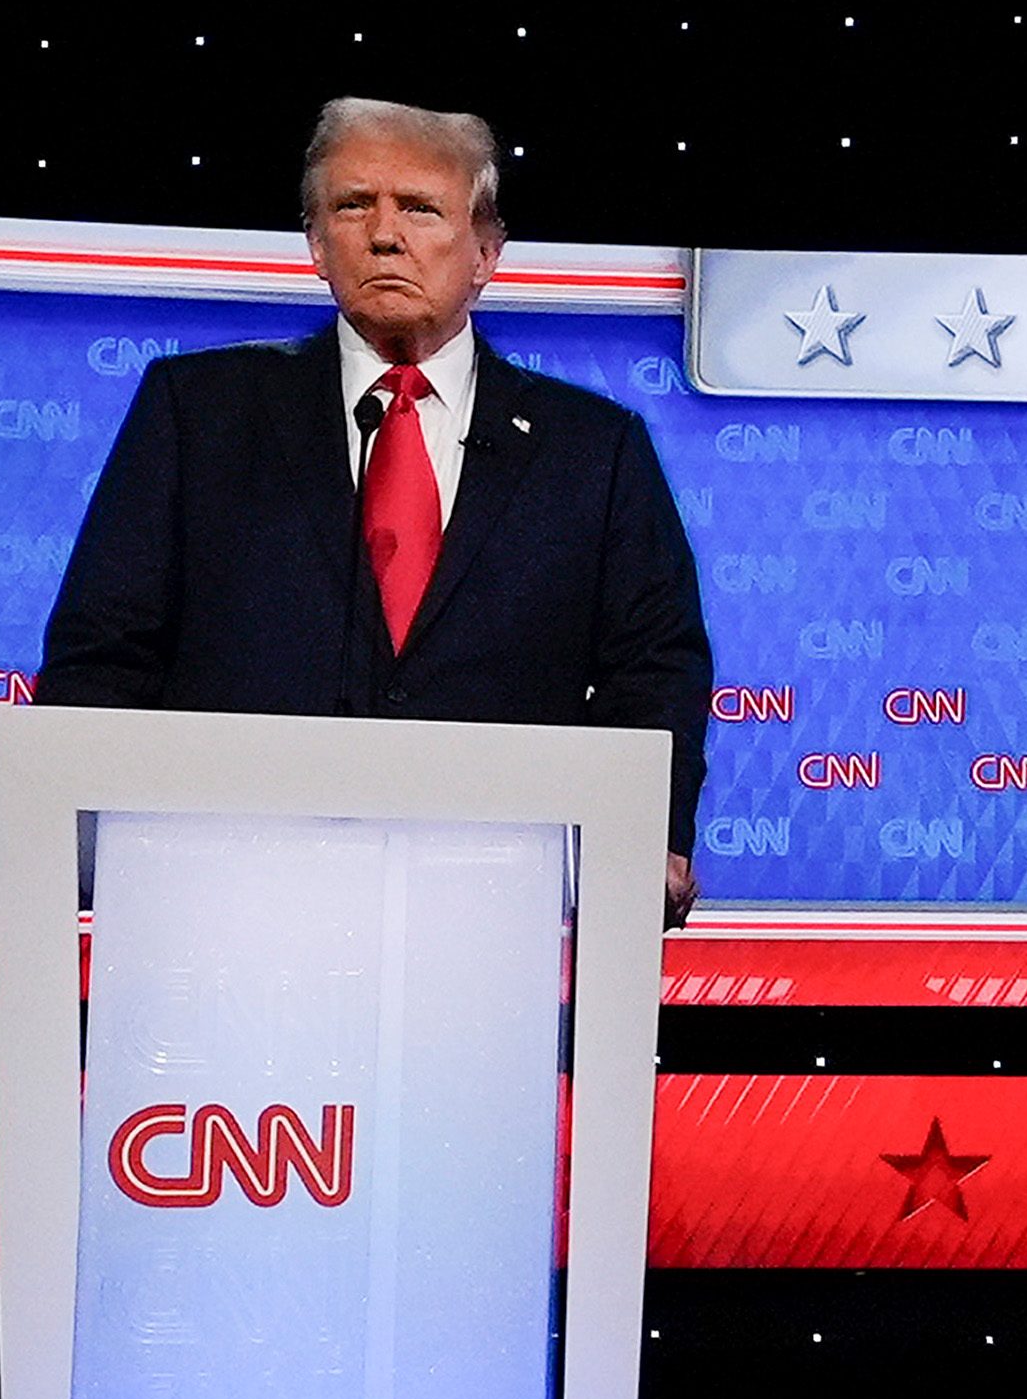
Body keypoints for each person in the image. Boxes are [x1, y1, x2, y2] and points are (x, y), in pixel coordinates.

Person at [40, 98, 715, 919]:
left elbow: (655, 668)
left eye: (421, 209)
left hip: (488, 915)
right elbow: (101, 654)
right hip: (220, 907)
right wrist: (93, 835)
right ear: (317, 245)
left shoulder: (593, 449)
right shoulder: (199, 413)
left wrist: (650, 835)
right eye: (353, 206)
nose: (384, 235)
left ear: (486, 252)